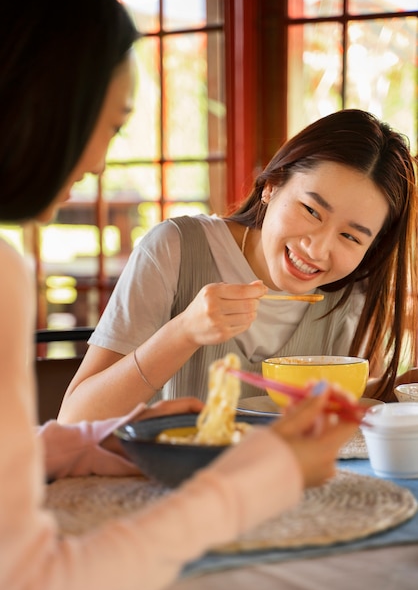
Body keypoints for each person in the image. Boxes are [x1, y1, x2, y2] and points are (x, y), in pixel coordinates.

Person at [0, 0, 361, 590]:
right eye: (107, 126)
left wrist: (80, 445)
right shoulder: (167, 248)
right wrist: (259, 482)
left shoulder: (346, 300)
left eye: (353, 236)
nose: (97, 162)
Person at [58, 108, 418, 424]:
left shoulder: (352, 295)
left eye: (351, 237)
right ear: (272, 187)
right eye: (311, 210)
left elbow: (341, 419)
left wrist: (396, 394)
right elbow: (75, 417)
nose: (318, 249)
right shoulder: (176, 249)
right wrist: (184, 331)